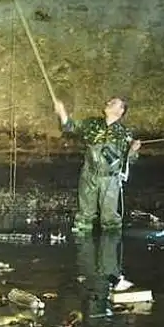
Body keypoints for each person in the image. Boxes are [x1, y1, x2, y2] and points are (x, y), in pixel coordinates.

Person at [53, 96, 142, 233]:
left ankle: (110, 247)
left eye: (113, 103)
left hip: (110, 180)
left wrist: (133, 150)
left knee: (110, 220)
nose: (108, 103)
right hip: (89, 176)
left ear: (121, 110)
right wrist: (62, 111)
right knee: (83, 219)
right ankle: (83, 248)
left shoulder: (124, 133)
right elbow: (70, 126)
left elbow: (130, 160)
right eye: (109, 101)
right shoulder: (92, 124)